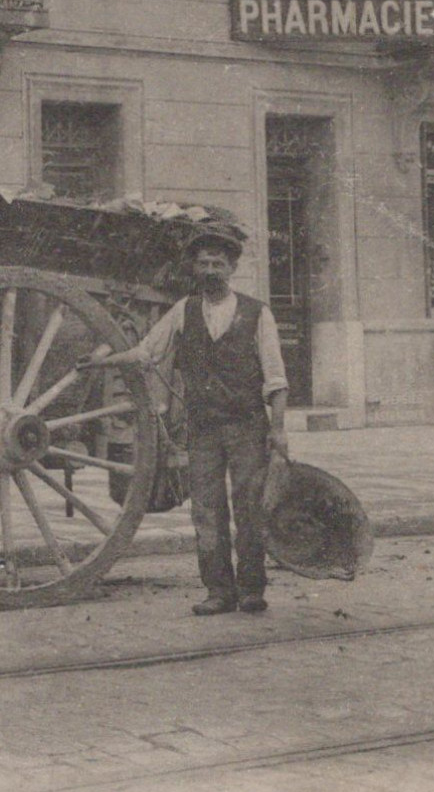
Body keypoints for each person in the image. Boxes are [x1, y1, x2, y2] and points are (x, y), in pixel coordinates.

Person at [79, 228, 289, 616]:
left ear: (232, 268)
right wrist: (103, 362)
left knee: (249, 508)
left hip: (246, 425)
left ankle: (251, 589)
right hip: (203, 427)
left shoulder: (258, 313)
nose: (211, 270)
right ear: (195, 268)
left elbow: (275, 377)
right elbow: (146, 352)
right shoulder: (184, 310)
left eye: (218, 263)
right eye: (204, 263)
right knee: (207, 510)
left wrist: (278, 430)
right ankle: (218, 591)